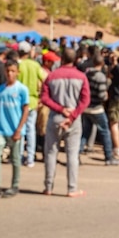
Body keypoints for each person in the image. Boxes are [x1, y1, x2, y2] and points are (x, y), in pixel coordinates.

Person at [40, 47, 90, 197]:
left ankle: (48, 187)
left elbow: (44, 97)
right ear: (75, 59)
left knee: (50, 152)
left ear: (61, 58)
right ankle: (72, 188)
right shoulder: (81, 77)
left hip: (55, 116)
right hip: (73, 120)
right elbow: (85, 100)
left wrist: (61, 109)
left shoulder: (52, 76)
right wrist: (72, 115)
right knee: (72, 154)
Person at [0, 59, 30, 198]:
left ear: (17, 72)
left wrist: (19, 129)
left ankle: (15, 185)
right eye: (8, 71)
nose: (10, 74)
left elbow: (26, 110)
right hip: (0, 129)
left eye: (12, 71)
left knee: (15, 159)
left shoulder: (22, 89)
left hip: (15, 129)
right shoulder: (0, 90)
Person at [80, 53, 119, 166]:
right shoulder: (100, 77)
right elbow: (102, 95)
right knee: (105, 131)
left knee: (85, 132)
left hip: (86, 107)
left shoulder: (86, 74)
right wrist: (106, 96)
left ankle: (76, 154)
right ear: (102, 64)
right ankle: (109, 156)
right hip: (96, 108)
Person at [16, 41, 43, 168]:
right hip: (32, 100)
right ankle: (30, 158)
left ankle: (19, 155)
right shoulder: (35, 65)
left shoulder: (17, 65)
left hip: (18, 101)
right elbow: (45, 79)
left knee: (20, 128)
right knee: (31, 129)